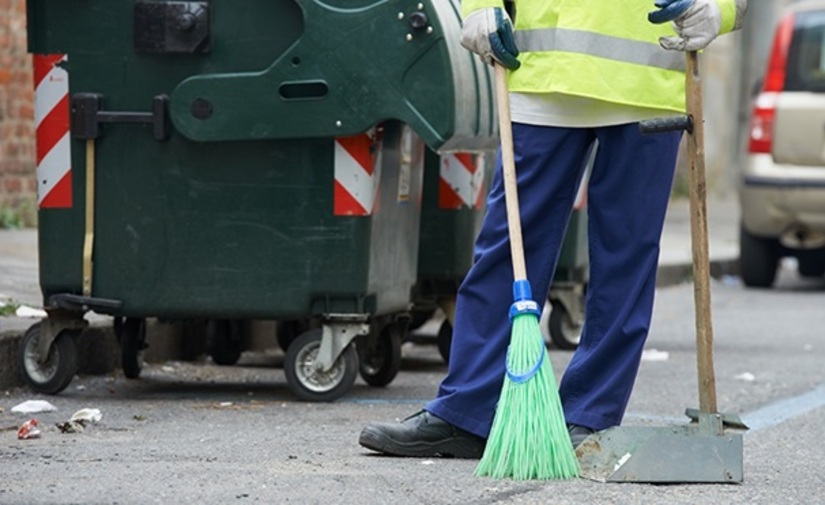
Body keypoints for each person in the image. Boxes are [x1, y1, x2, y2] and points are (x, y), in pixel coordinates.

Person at [359, 0, 748, 458]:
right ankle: (466, 412)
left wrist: (720, 8)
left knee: (626, 259)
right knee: (506, 247)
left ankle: (589, 417)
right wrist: (480, 6)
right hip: (542, 75)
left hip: (647, 82)